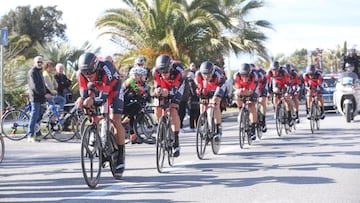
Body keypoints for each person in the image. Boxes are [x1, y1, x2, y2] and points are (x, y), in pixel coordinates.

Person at [76, 52, 125, 179]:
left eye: (91, 74)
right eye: (86, 75)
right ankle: (96, 134)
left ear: (96, 68)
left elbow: (103, 97)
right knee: (86, 103)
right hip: (96, 88)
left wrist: (92, 100)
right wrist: (82, 100)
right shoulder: (81, 74)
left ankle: (120, 155)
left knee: (115, 119)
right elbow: (84, 92)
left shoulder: (106, 69)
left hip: (113, 87)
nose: (88, 77)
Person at [152, 54, 185, 157]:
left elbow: (175, 90)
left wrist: (168, 92)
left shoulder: (178, 71)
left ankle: (176, 141)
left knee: (173, 109)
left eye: (165, 72)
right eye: (161, 72)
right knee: (157, 105)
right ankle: (162, 127)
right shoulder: (155, 72)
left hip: (177, 86)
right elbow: (157, 84)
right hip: (164, 85)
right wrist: (157, 91)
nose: (163, 74)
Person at [195, 61, 227, 141]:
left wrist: (215, 99)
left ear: (212, 72)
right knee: (202, 103)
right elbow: (199, 88)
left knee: (215, 103)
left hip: (218, 86)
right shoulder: (198, 75)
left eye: (208, 75)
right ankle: (204, 123)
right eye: (204, 75)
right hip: (207, 87)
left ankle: (218, 129)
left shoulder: (218, 75)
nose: (206, 77)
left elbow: (220, 89)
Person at [27, 56, 54, 142]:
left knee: (39, 117)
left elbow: (43, 86)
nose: (39, 63)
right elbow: (34, 86)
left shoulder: (40, 72)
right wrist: (44, 94)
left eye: (41, 62)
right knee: (34, 116)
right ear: (34, 63)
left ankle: (38, 134)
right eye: (38, 62)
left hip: (41, 98)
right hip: (35, 98)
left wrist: (49, 92)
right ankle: (30, 135)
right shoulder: (32, 72)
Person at [234, 63, 258, 140]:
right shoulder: (237, 76)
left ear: (249, 73)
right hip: (243, 89)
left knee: (251, 105)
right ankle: (241, 110)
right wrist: (240, 92)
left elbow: (250, 91)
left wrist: (245, 91)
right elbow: (238, 89)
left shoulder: (254, 76)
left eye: (246, 75)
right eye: (242, 75)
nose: (244, 77)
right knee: (237, 96)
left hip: (253, 89)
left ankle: (253, 129)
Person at [266, 61, 293, 126]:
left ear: (279, 69)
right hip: (276, 83)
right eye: (273, 70)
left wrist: (287, 92)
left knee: (286, 99)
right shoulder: (269, 73)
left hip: (284, 83)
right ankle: (276, 110)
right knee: (275, 94)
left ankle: (289, 117)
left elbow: (288, 83)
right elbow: (267, 84)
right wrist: (268, 92)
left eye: (276, 70)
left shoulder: (284, 72)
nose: (275, 72)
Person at [250, 63, 268, 132]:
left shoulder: (259, 75)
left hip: (262, 85)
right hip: (254, 86)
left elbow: (258, 87)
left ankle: (263, 121)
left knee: (262, 100)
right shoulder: (247, 75)